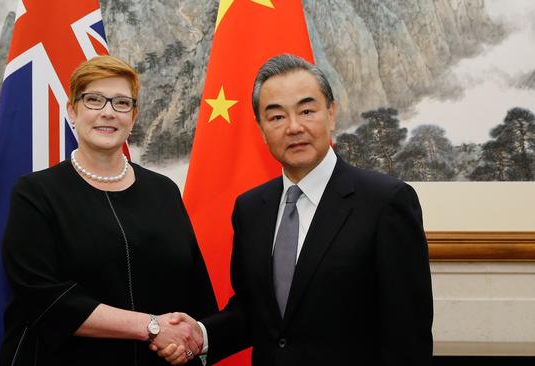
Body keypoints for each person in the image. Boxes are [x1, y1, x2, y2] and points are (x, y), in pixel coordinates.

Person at [156, 54, 433, 365]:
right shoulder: (251, 209)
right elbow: (254, 311)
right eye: (276, 117)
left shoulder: (386, 202)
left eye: (307, 110)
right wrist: (200, 335)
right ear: (260, 129)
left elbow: (408, 335)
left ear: (331, 114)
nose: (294, 127)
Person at [0, 55, 217, 366]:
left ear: (134, 116)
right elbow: (44, 298)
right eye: (94, 100)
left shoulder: (164, 191)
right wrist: (152, 327)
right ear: (72, 111)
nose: (108, 113)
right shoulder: (35, 193)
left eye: (121, 103)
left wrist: (187, 341)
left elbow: (194, 289)